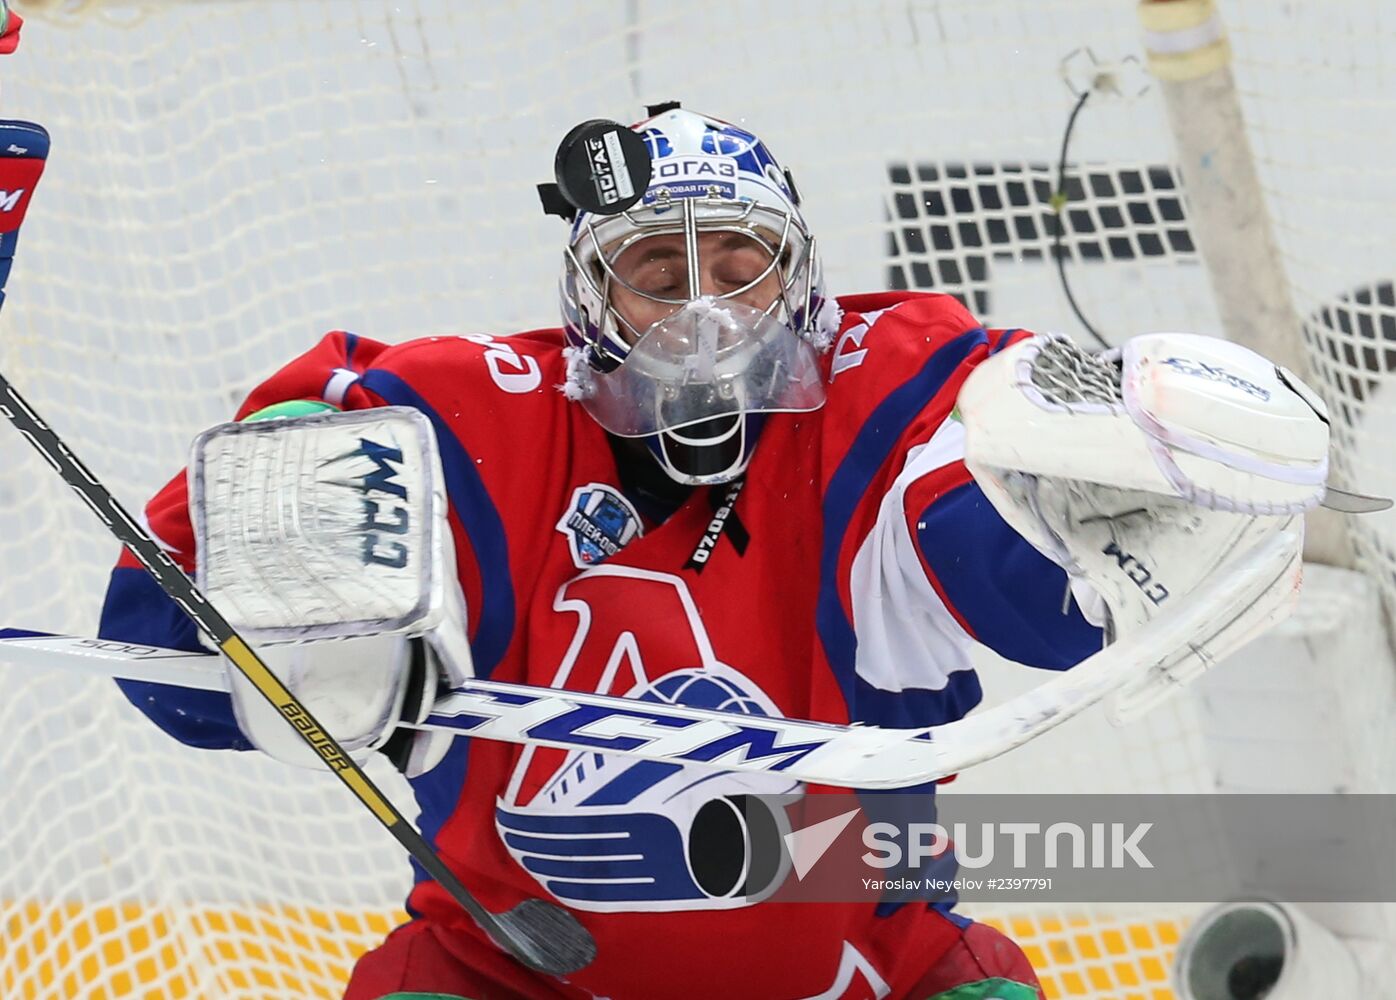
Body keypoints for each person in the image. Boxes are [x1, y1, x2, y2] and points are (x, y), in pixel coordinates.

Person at [97, 106, 1317, 999]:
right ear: (589, 294)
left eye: (741, 263)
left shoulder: (879, 389)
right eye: (655, 271)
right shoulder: (463, 416)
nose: (705, 308)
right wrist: (278, 605)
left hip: (877, 966)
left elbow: (1010, 594)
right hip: (497, 968)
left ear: (797, 275)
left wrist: (1090, 487)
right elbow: (163, 668)